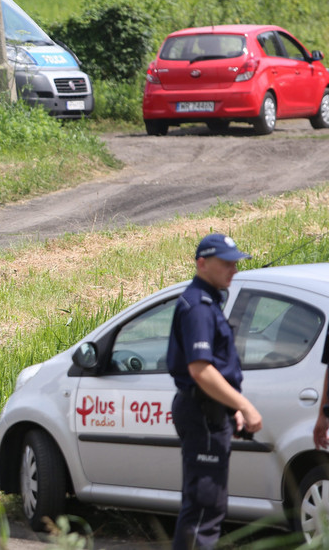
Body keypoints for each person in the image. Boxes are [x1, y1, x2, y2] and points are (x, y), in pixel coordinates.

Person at [166, 233, 263, 550]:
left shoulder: (207, 301)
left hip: (210, 410)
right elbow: (201, 370)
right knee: (204, 507)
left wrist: (229, 406)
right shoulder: (199, 307)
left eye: (236, 263)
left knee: (207, 505)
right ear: (202, 263)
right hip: (202, 413)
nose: (233, 270)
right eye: (226, 263)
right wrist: (244, 406)